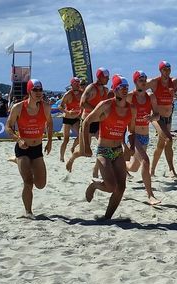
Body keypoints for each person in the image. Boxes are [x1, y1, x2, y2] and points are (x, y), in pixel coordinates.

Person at [81, 75, 136, 220]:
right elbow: (86, 122)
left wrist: (131, 144)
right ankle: (94, 185)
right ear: (114, 89)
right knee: (111, 186)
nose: (124, 90)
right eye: (121, 87)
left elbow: (131, 130)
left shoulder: (132, 109)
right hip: (103, 150)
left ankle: (107, 218)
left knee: (121, 188)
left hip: (117, 150)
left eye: (126, 87)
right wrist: (86, 146)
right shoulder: (106, 105)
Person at [4, 79, 53, 219]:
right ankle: (28, 212)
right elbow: (8, 126)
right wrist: (18, 139)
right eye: (35, 90)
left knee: (41, 184)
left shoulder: (46, 107)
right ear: (29, 91)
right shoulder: (18, 107)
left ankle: (17, 161)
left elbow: (49, 123)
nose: (38, 93)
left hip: (37, 148)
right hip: (22, 148)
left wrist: (50, 141)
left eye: (40, 90)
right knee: (28, 181)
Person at [125, 70, 163, 205]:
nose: (144, 82)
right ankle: (150, 195)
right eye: (141, 80)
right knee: (145, 161)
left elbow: (158, 115)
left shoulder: (150, 97)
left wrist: (152, 117)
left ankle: (120, 166)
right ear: (135, 81)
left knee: (133, 167)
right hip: (132, 135)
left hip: (145, 135)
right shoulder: (130, 96)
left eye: (145, 79)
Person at [66, 67, 111, 172]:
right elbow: (82, 103)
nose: (108, 79)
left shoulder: (105, 90)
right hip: (87, 122)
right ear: (100, 77)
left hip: (98, 122)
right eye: (106, 77)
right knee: (83, 152)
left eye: (108, 77)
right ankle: (71, 159)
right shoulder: (91, 88)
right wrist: (96, 110)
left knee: (105, 147)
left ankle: (96, 170)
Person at [146, 60, 177, 177]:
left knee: (161, 144)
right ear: (160, 70)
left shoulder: (175, 82)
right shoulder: (154, 82)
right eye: (165, 69)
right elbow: (139, 89)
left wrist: (175, 95)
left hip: (169, 117)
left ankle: (152, 171)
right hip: (157, 117)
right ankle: (171, 170)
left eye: (169, 69)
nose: (167, 71)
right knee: (169, 139)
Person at [59, 77, 83, 162]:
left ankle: (73, 147)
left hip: (76, 118)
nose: (77, 85)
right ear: (72, 84)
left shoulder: (82, 93)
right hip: (67, 119)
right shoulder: (68, 94)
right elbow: (60, 106)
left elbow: (84, 105)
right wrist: (67, 112)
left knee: (81, 136)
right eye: (75, 83)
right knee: (66, 139)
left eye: (78, 83)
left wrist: (81, 113)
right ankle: (61, 157)